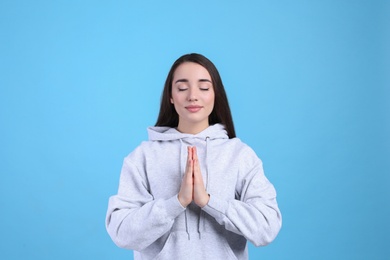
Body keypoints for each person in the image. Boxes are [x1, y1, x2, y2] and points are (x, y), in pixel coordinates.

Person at [106, 53, 282, 260]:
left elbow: (267, 227)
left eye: (204, 87)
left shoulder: (239, 155)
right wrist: (176, 203)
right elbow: (121, 233)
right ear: (171, 96)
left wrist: (209, 202)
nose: (193, 96)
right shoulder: (142, 157)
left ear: (216, 94)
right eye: (182, 88)